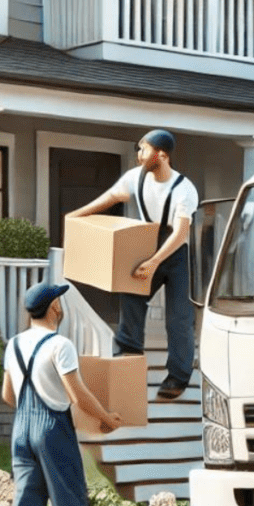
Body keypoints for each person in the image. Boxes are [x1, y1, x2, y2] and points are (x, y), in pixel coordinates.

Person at [2, 280, 122, 506]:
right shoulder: (60, 345)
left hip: (21, 429)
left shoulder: (13, 344)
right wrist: (107, 418)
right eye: (60, 301)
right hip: (53, 428)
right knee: (69, 504)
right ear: (55, 307)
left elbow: (7, 395)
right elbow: (78, 396)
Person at [66, 129, 200, 400]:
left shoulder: (184, 189)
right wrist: (75, 215)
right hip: (147, 244)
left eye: (144, 150)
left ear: (161, 155)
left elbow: (180, 233)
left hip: (175, 254)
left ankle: (178, 376)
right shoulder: (134, 178)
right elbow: (109, 198)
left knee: (179, 318)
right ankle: (129, 352)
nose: (138, 155)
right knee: (131, 297)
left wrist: (153, 263)